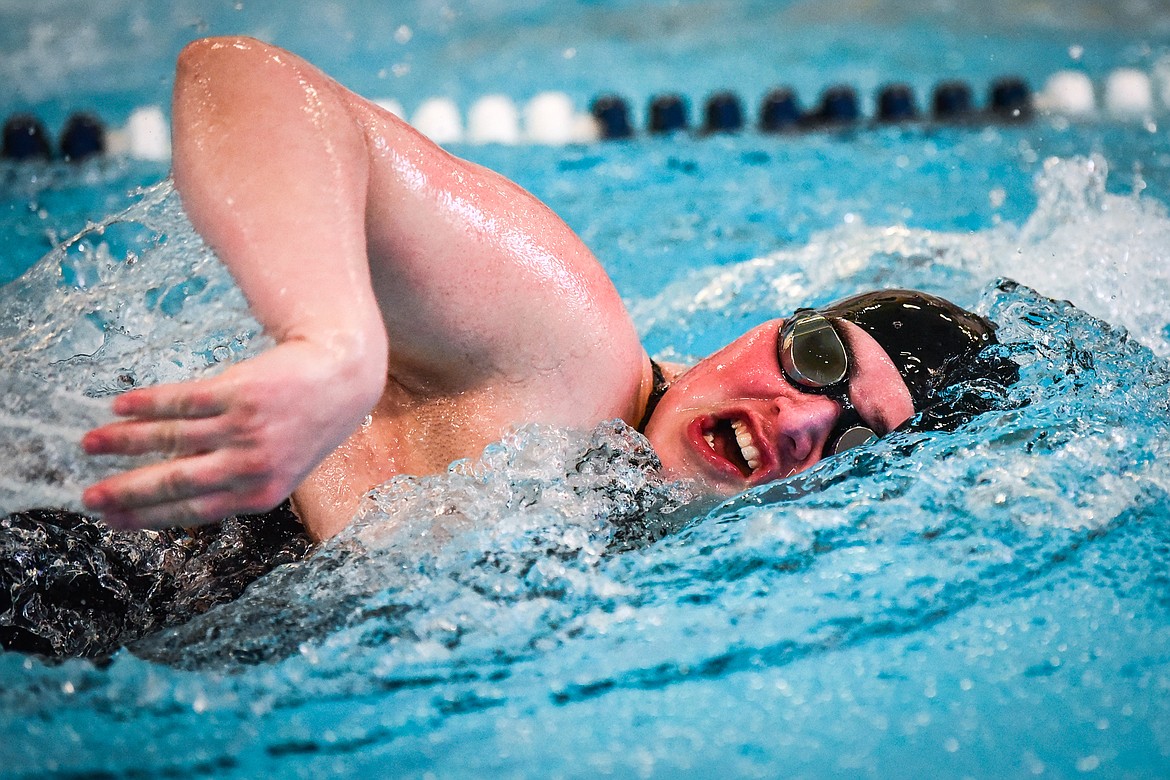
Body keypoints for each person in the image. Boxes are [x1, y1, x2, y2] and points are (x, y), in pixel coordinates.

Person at [78, 37, 1013, 542]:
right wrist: (332, 345)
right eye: (819, 359)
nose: (804, 420)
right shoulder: (568, 345)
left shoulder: (652, 540)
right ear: (772, 325)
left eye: (853, 441)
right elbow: (240, 74)